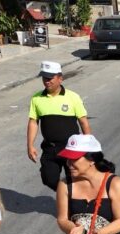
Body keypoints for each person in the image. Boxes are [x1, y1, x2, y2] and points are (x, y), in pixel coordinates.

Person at [27, 61, 91, 191]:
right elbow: (33, 122)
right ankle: (64, 194)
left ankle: (72, 203)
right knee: (48, 178)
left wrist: (88, 144)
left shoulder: (73, 97)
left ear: (60, 78)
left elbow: (83, 122)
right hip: (50, 149)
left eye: (50, 78)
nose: (47, 81)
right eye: (44, 78)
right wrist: (30, 145)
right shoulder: (36, 98)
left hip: (71, 148)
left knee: (74, 179)